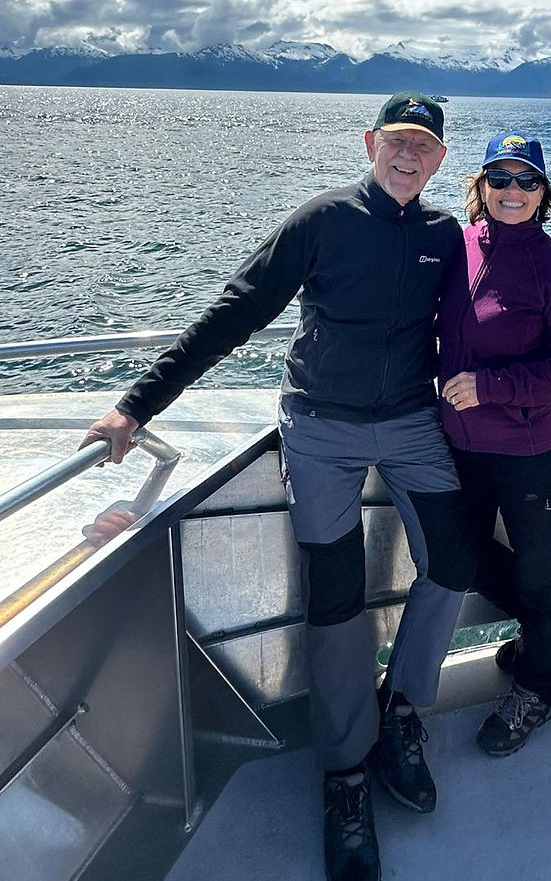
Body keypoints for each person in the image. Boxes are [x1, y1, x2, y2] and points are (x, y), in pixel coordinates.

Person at [80, 92, 475, 881]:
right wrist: (136, 404)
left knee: (455, 562)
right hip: (322, 426)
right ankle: (346, 775)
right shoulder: (320, 221)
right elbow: (238, 311)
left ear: (438, 161)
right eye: (395, 141)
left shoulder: (443, 235)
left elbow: (487, 312)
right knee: (336, 594)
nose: (407, 156)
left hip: (408, 421)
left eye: (422, 147)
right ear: (370, 143)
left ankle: (399, 712)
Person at [439, 131, 551, 756]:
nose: (512, 191)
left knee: (536, 565)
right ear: (479, 187)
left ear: (544, 195)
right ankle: (549, 627)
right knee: (459, 553)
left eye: (526, 180)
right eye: (499, 178)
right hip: (454, 441)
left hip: (527, 448)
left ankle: (539, 683)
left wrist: (493, 387)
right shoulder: (459, 247)